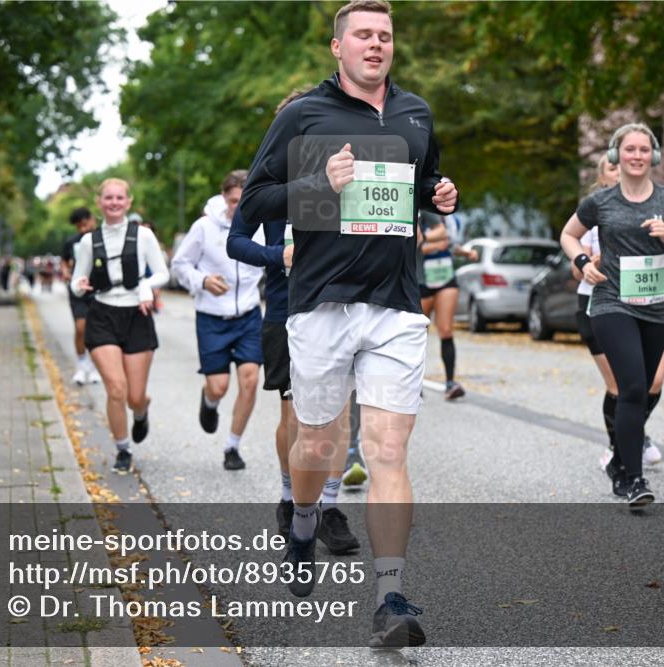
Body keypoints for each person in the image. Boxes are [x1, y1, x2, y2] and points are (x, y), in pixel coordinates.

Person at [240, 0, 458, 647]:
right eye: (362, 34)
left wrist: (441, 194)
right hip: (321, 302)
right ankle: (303, 521)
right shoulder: (304, 115)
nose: (375, 44)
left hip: (395, 302)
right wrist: (317, 182)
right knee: (317, 444)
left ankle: (390, 595)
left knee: (389, 448)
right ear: (337, 47)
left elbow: (424, 185)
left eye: (385, 35)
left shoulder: (416, 113)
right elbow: (254, 204)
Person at [227, 86, 361, 554]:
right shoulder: (268, 187)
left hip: (338, 307)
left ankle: (328, 505)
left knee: (338, 413)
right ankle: (290, 498)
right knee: (296, 415)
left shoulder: (345, 177)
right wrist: (278, 255)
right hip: (285, 310)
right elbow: (236, 242)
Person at [560, 123, 664, 508]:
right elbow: (568, 235)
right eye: (629, 149)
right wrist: (583, 261)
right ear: (615, 156)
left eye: (643, 150)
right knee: (634, 386)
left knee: (647, 387)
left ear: (652, 156)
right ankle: (635, 479)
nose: (636, 156)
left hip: (656, 308)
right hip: (611, 303)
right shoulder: (600, 201)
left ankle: (619, 462)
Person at [573, 155, 664, 471]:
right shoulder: (593, 214)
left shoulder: (650, 209)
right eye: (612, 168)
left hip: (643, 304)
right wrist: (595, 262)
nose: (621, 171)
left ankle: (633, 433)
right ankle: (619, 449)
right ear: (602, 179)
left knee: (653, 382)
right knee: (621, 386)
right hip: (598, 306)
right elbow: (577, 267)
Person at [70, 178, 169, 473]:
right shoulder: (88, 241)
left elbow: (162, 273)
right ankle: (123, 450)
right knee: (116, 388)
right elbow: (77, 280)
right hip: (102, 316)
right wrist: (79, 285)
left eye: (119, 198)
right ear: (99, 203)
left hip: (136, 316)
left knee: (134, 396)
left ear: (128, 202)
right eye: (108, 198)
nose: (113, 202)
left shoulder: (143, 236)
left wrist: (145, 287)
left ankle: (141, 411)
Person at [171, 170, 265, 472]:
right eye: (234, 200)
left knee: (250, 380)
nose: (240, 206)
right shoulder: (204, 227)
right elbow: (180, 264)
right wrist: (202, 280)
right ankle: (209, 400)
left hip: (249, 314)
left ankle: (232, 447)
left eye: (245, 199)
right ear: (224, 197)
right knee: (219, 387)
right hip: (212, 317)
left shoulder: (263, 226)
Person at [417, 212, 476, 400]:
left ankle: (450, 383)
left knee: (446, 329)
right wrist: (431, 245)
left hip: (445, 276)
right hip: (421, 280)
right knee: (417, 333)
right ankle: (413, 384)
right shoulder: (415, 211)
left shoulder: (446, 220)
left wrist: (466, 252)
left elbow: (447, 244)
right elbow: (410, 246)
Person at [61, 207, 101, 385]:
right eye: (79, 227)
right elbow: (63, 261)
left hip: (98, 289)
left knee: (97, 330)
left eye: (85, 224)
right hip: (78, 290)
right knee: (80, 328)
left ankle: (94, 367)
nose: (83, 229)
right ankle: (81, 365)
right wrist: (66, 272)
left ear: (92, 220)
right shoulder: (71, 242)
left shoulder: (102, 239)